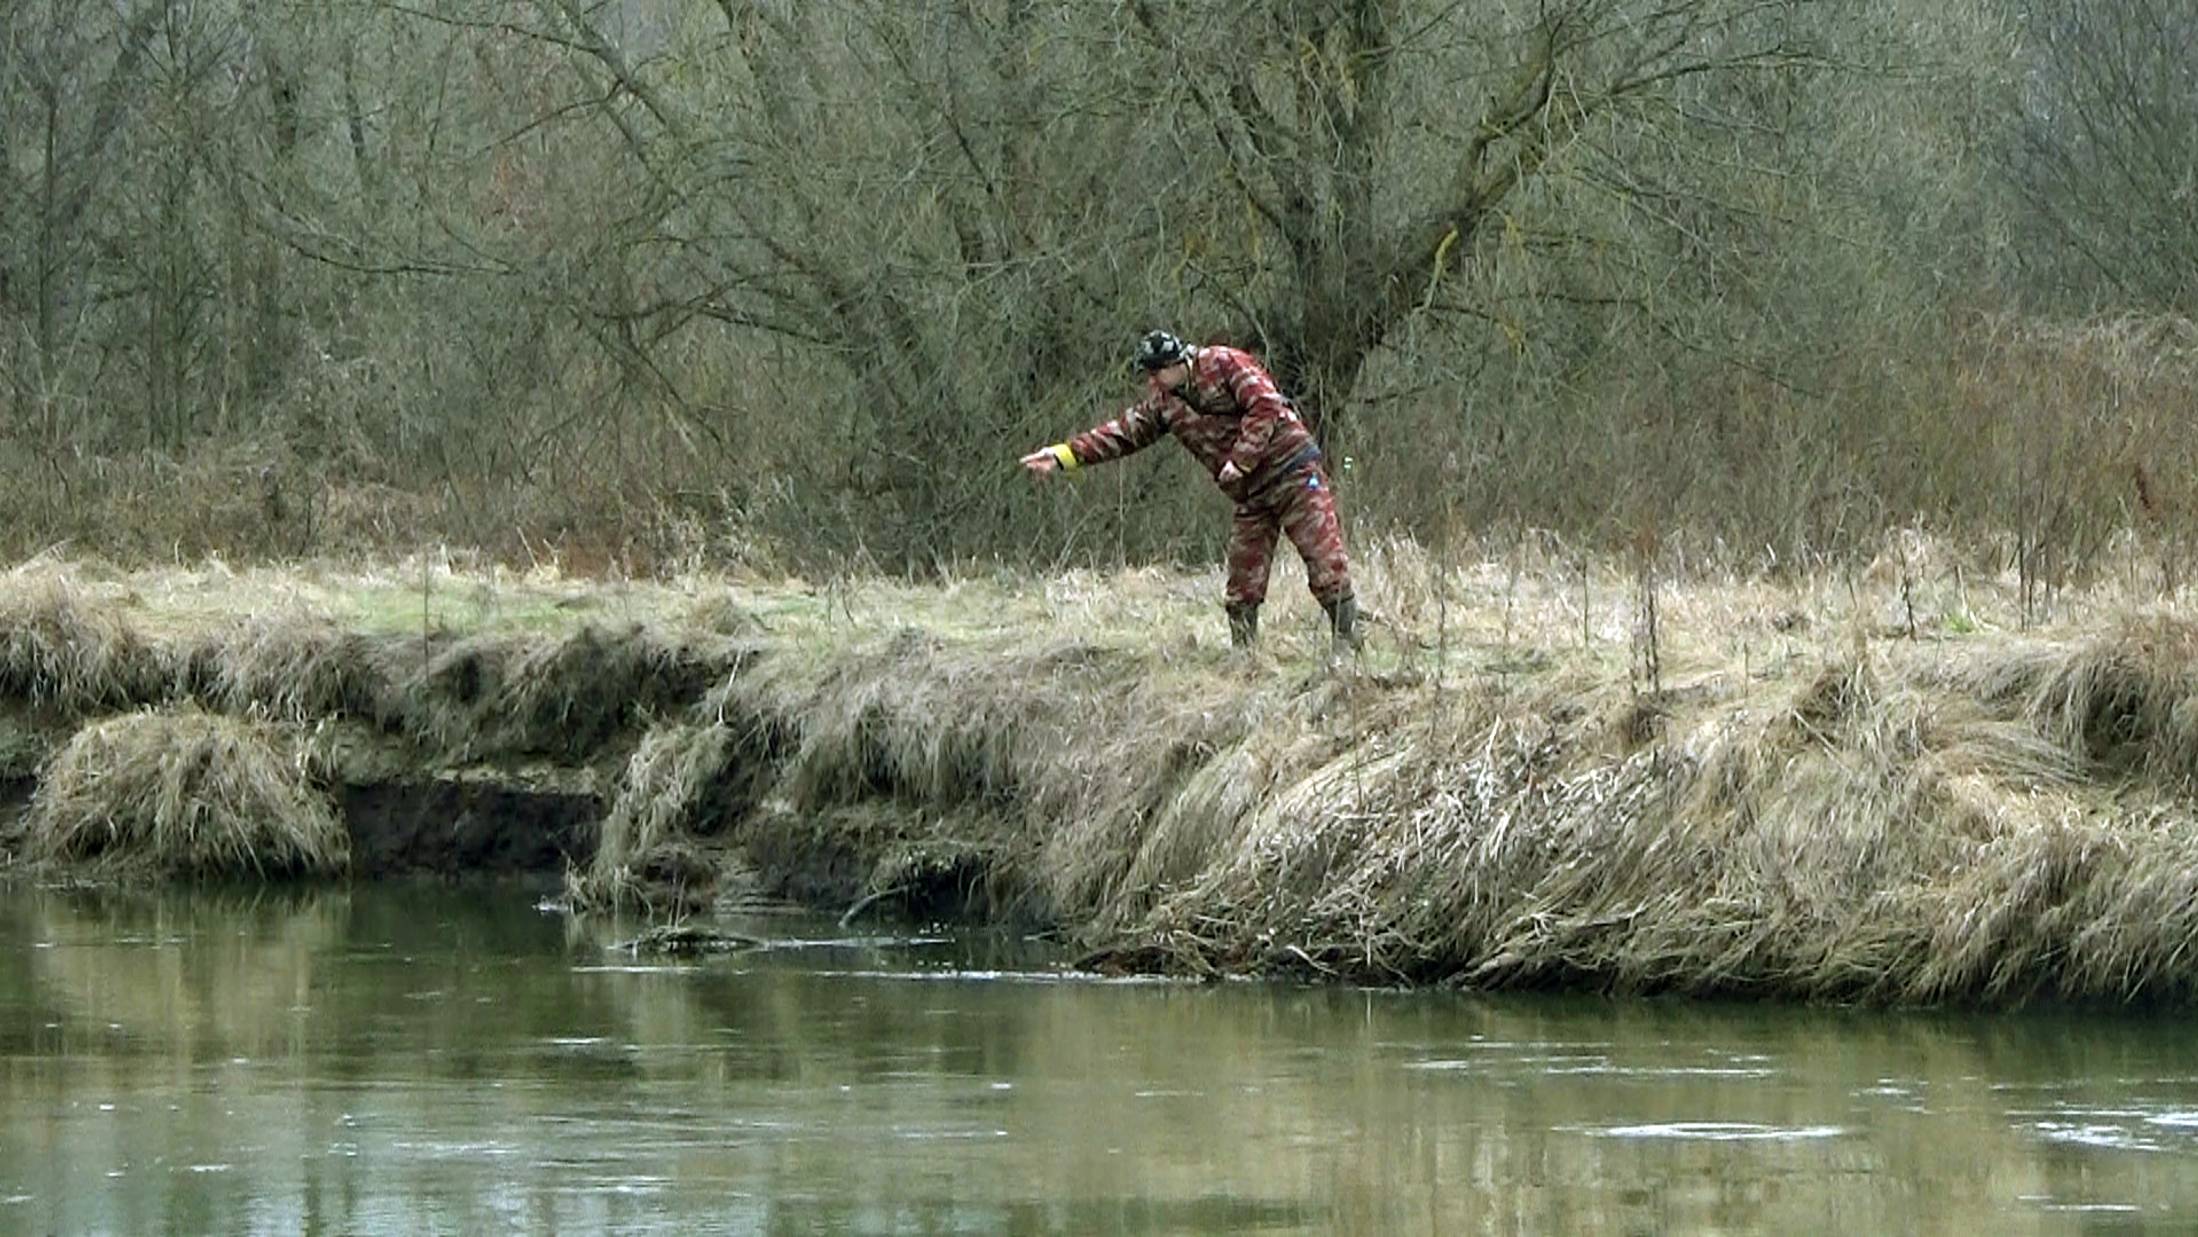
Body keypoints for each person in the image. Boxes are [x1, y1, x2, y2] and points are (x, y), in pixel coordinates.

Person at [1020, 329, 1359, 650]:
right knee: (1242, 584)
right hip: (1251, 494)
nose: (1152, 383)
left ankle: (1347, 643)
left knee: (1324, 560)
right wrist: (1062, 456)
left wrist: (1241, 459)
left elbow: (1265, 404)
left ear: (1176, 363)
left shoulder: (1224, 362)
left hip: (1294, 472)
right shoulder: (1165, 403)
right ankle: (1247, 658)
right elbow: (1122, 433)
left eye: (1156, 374)